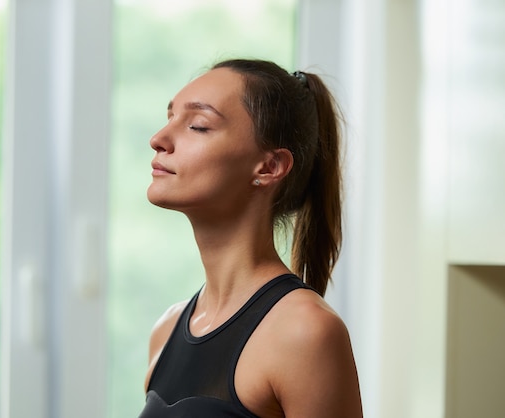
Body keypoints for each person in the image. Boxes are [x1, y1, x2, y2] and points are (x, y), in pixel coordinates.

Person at [139, 58, 362, 418]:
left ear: (269, 167)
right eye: (170, 118)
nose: (159, 139)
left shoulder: (305, 331)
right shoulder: (165, 331)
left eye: (197, 125)